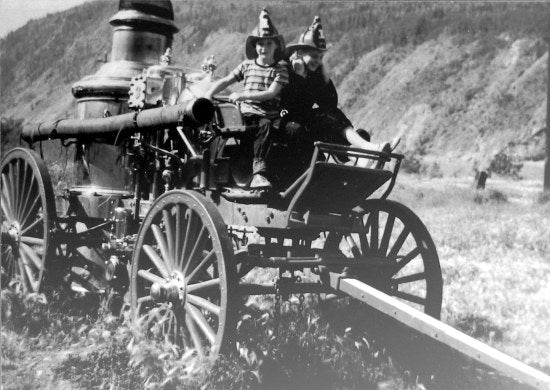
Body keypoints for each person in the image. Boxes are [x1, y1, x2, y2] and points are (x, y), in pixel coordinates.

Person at [280, 16, 399, 167]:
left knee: (332, 114)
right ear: (301, 52)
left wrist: (324, 78)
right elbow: (281, 100)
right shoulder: (284, 67)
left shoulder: (315, 72)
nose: (318, 61)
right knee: (301, 129)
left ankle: (364, 154)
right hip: (283, 122)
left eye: (321, 57)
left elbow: (330, 104)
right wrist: (298, 75)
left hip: (303, 119)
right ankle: (367, 151)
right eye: (314, 56)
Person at [204, 9, 288, 189]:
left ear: (275, 46)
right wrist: (208, 94)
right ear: (255, 46)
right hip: (249, 114)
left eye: (268, 43)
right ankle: (258, 174)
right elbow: (226, 80)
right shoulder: (246, 66)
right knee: (262, 124)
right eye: (260, 44)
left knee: (282, 127)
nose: (263, 47)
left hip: (271, 115)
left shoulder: (280, 70)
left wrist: (242, 95)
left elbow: (271, 93)